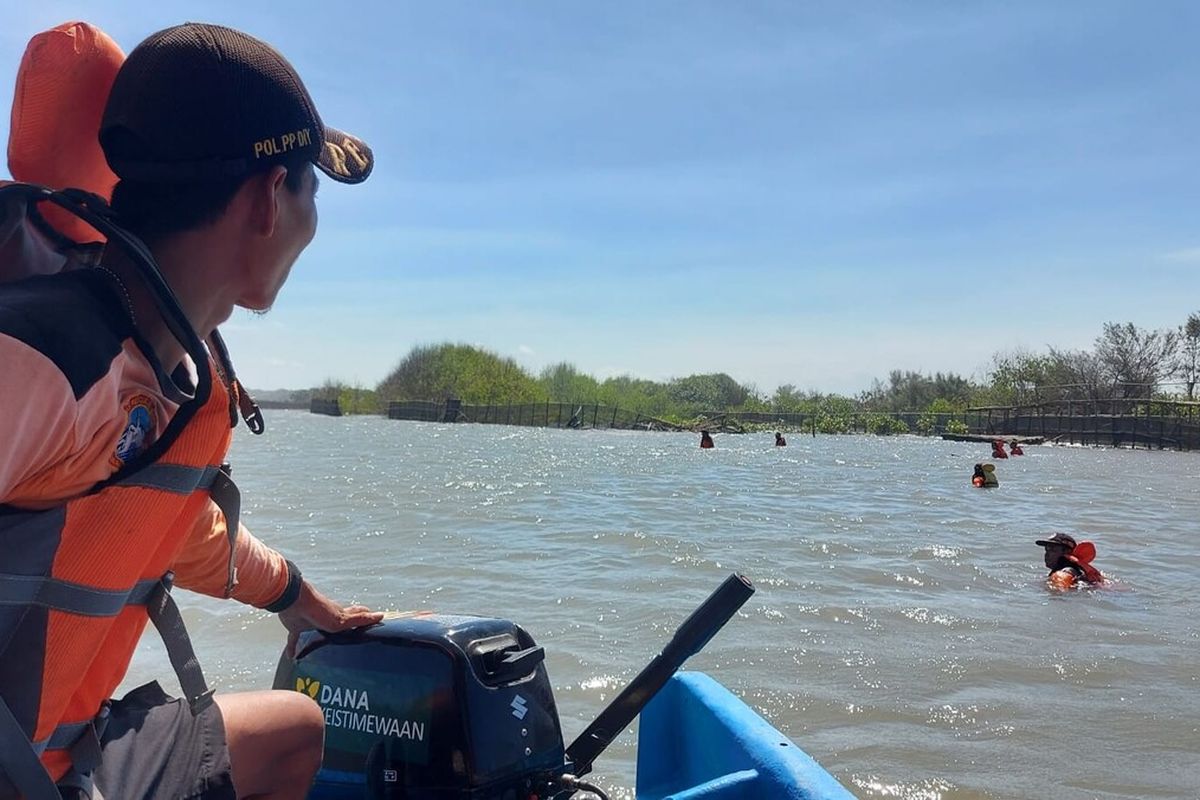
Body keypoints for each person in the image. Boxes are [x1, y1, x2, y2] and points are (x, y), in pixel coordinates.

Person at [0, 23, 382, 799]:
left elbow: (160, 525)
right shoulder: (52, 356)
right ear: (272, 198)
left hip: (60, 749)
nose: (314, 224)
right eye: (313, 188)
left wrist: (300, 600)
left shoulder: (166, 361)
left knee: (293, 732)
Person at [1035, 533, 1104, 587]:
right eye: (1047, 550)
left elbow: (1059, 594)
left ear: (1067, 552)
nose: (1047, 554)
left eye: (1053, 550)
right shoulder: (1077, 570)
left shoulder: (1064, 573)